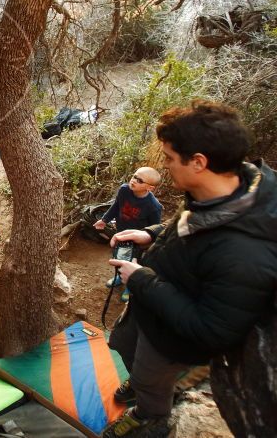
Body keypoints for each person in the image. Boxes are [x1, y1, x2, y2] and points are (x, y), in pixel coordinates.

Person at [101, 100, 277, 438]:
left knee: (151, 373)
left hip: (174, 336)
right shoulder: (229, 190)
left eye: (168, 157)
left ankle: (151, 414)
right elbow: (194, 223)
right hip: (158, 310)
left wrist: (142, 280)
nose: (164, 166)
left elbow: (212, 330)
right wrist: (151, 233)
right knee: (139, 363)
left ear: (198, 162)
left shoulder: (244, 253)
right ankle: (144, 384)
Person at [96, 167, 163, 302]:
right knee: (119, 256)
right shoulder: (124, 190)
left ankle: (130, 286)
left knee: (134, 260)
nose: (134, 181)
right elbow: (116, 206)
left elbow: (154, 228)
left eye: (140, 180)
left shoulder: (154, 206)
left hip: (138, 241)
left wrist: (148, 243)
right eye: (134, 176)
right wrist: (104, 220)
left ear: (149, 187)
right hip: (120, 233)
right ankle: (120, 277)